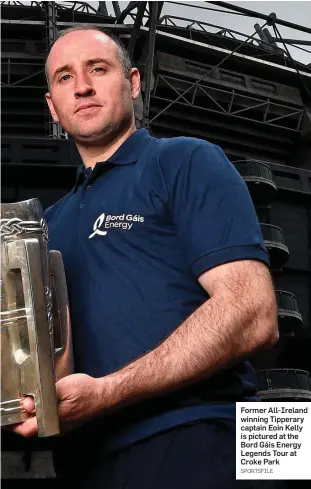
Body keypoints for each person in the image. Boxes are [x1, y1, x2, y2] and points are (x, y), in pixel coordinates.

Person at [11, 24, 280, 489]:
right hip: (85, 465)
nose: (83, 86)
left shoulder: (186, 160)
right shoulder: (43, 226)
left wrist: (107, 393)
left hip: (204, 438)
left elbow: (253, 314)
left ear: (133, 83)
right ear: (53, 107)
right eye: (64, 77)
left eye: (98, 68)